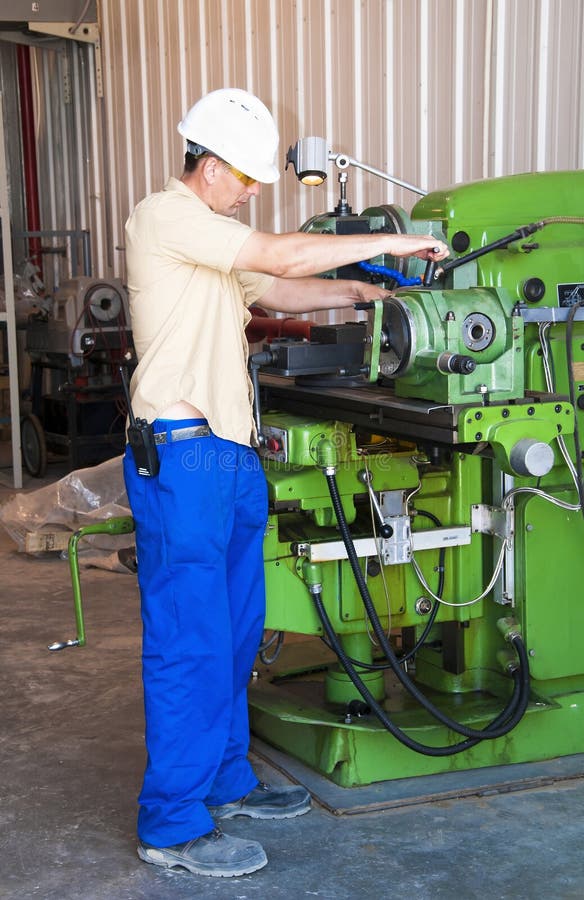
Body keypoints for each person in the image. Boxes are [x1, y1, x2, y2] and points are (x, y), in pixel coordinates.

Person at [123, 87, 448, 879]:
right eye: (246, 175)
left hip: (229, 459)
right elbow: (282, 255)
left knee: (235, 635)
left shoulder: (216, 239)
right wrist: (392, 240)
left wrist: (364, 293)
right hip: (183, 454)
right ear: (206, 165)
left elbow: (278, 287)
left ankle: (227, 780)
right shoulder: (165, 218)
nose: (254, 189)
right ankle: (170, 822)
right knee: (189, 646)